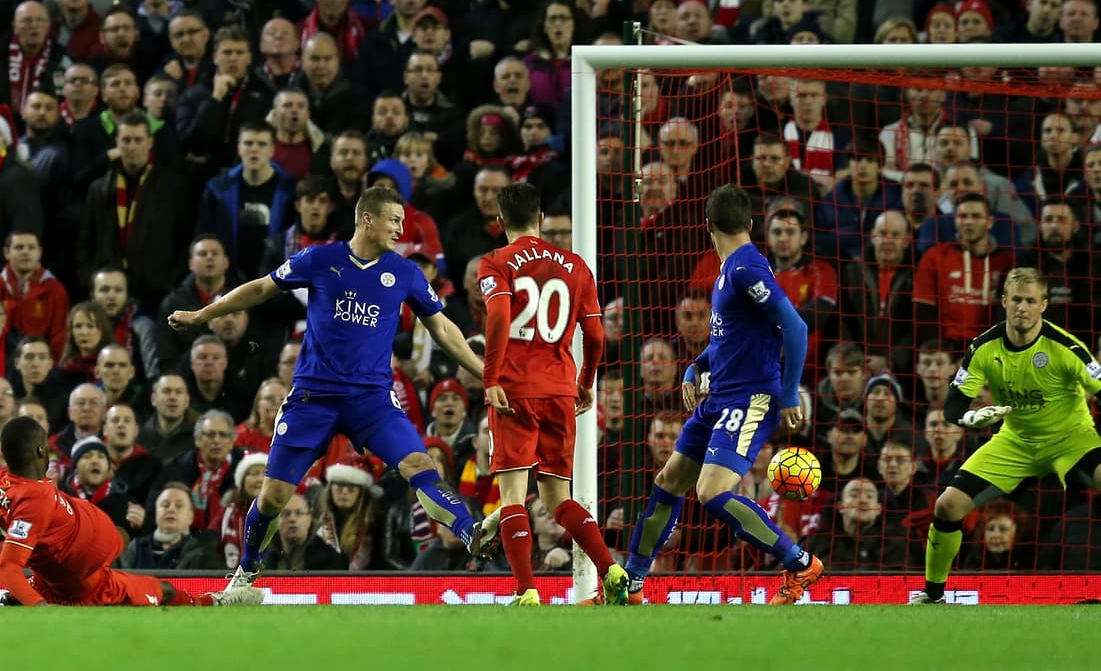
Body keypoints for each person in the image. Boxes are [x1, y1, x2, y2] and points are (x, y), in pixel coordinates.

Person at [167, 186, 490, 595]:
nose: (400, 229)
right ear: (368, 219)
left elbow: (442, 329)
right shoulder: (320, 260)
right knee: (272, 498)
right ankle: (246, 578)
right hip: (312, 398)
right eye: (394, 220)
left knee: (418, 466)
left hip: (371, 399)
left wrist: (484, 373)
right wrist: (203, 314)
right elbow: (262, 288)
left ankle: (469, 532)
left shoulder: (405, 272)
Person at [910, 267, 1101, 604]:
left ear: (1044, 305)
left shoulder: (1065, 346)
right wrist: (972, 417)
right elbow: (953, 406)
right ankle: (933, 595)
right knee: (947, 506)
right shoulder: (983, 348)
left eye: (1030, 301)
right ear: (1004, 301)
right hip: (1014, 442)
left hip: (1070, 438)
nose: (1022, 307)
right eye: (1017, 300)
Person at [624, 184, 822, 605]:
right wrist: (697, 365)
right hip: (718, 397)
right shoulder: (733, 269)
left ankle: (800, 563)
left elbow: (797, 327)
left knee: (711, 493)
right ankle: (632, 584)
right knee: (669, 480)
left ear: (708, 226)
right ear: (750, 223)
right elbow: (728, 338)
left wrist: (788, 394)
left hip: (750, 399)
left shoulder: (747, 270)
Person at [477, 182, 624, 606]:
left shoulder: (496, 262)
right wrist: (587, 381)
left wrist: (491, 377)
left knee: (511, 495)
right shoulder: (576, 266)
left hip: (515, 391)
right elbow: (594, 334)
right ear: (541, 220)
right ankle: (611, 570)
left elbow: (501, 316)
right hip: (561, 389)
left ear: (500, 222)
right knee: (558, 497)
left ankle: (526, 591)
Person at [0, 416, 258, 606]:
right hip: (89, 585)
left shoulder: (0, 480)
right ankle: (215, 602)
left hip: (72, 561)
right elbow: (7, 568)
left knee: (120, 528)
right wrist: (40, 606)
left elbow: (10, 524)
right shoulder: (34, 502)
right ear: (40, 450)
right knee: (161, 591)